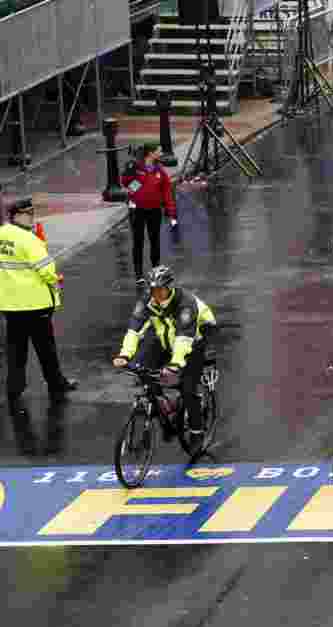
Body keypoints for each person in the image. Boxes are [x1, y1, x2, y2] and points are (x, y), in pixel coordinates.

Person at [112, 266, 217, 451]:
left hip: (195, 339)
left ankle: (196, 431)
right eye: (153, 290)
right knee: (140, 368)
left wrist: (175, 364)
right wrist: (124, 354)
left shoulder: (186, 303)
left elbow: (184, 338)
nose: (157, 294)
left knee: (187, 387)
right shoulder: (147, 301)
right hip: (165, 336)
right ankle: (164, 413)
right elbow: (134, 329)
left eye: (161, 289)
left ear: (170, 287)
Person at [0, 197, 78, 412]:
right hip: (35, 305)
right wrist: (56, 279)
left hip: (10, 305)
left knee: (16, 349)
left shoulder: (2, 234)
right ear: (16, 215)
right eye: (28, 214)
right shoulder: (28, 239)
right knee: (45, 348)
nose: (32, 217)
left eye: (32, 213)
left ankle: (14, 388)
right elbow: (46, 271)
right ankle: (56, 384)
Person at [121, 142, 177, 287]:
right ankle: (139, 274)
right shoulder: (137, 167)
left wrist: (171, 211)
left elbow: (166, 192)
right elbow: (127, 183)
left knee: (155, 240)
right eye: (159, 150)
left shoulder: (159, 171)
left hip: (154, 211)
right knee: (138, 241)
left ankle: (156, 270)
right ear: (151, 153)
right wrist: (132, 180)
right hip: (137, 210)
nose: (161, 153)